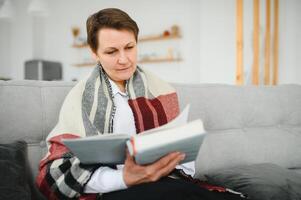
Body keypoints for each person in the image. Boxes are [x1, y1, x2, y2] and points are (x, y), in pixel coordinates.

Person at [36, 8, 247, 200]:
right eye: (111, 52)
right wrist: (125, 179)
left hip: (163, 183)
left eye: (129, 47)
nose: (124, 59)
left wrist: (172, 161)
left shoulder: (161, 90)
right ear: (94, 52)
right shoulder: (80, 97)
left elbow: (184, 163)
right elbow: (56, 171)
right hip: (113, 190)